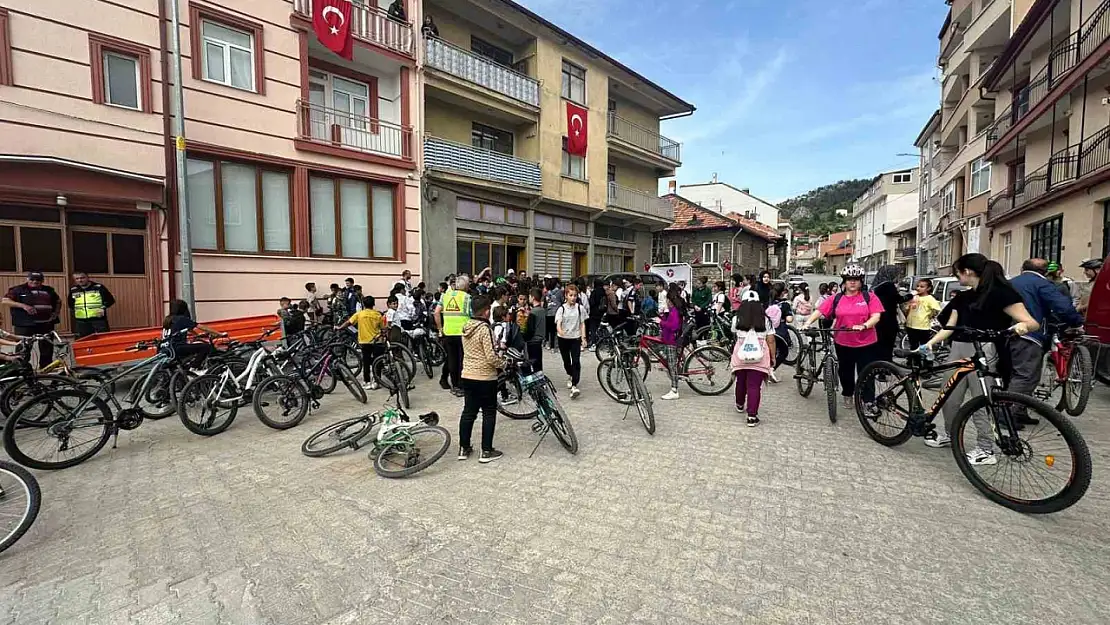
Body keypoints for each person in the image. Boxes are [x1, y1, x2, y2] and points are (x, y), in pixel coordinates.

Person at [921, 254, 1038, 462]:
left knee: (981, 401)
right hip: (958, 348)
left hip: (986, 350)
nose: (957, 276)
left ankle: (986, 448)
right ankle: (950, 434)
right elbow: (950, 327)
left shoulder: (1002, 294)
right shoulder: (963, 297)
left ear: (967, 272)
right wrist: (929, 344)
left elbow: (1031, 322)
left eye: (958, 272)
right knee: (949, 396)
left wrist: (1021, 327)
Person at [1008, 258, 1084, 426]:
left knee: (1027, 375)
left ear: (1023, 267)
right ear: (1045, 271)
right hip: (1030, 334)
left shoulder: (1012, 282)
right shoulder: (1042, 284)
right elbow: (1062, 306)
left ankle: (1020, 410)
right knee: (1025, 375)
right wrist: (1077, 322)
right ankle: (1007, 413)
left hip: (1009, 333)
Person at [803, 264, 884, 410]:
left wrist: (864, 325)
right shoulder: (836, 298)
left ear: (861, 281)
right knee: (845, 372)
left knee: (866, 372)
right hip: (844, 342)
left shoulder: (869, 297)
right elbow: (820, 311)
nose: (852, 282)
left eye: (856, 279)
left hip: (867, 342)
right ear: (844, 281)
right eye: (849, 279)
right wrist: (808, 322)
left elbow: (876, 316)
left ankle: (868, 401)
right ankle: (848, 394)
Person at [457, 295, 505, 464]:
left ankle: (464, 448)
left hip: (468, 375)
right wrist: (504, 363)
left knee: (468, 412)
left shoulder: (466, 326)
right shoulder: (485, 329)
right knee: (489, 412)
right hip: (485, 377)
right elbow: (491, 357)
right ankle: (486, 450)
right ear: (486, 312)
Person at [730, 291, 775, 426]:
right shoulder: (766, 320)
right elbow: (771, 340)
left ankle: (739, 404)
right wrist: (773, 357)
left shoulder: (736, 319)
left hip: (741, 356)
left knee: (741, 381)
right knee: (754, 386)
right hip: (759, 358)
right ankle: (751, 416)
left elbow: (734, 334)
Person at [2, 272, 61, 368]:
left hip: (46, 324)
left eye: (38, 280)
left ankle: (45, 370)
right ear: (27, 279)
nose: (35, 282)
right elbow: (5, 301)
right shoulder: (17, 289)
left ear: (42, 281)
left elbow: (58, 301)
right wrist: (23, 306)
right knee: (24, 347)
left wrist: (56, 313)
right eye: (32, 279)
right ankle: (22, 369)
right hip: (25, 324)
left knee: (47, 348)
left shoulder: (49, 290)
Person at [335, 295, 384, 390]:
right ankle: (377, 381)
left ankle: (367, 381)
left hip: (364, 341)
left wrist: (339, 327)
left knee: (366, 361)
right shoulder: (378, 315)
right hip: (377, 341)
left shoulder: (359, 314)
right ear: (373, 304)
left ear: (363, 304)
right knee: (378, 361)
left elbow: (348, 322)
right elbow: (383, 327)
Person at [162, 299, 226, 369]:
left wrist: (197, 335)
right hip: (177, 347)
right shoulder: (181, 319)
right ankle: (193, 368)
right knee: (206, 347)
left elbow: (189, 329)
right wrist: (219, 334)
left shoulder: (168, 319)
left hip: (165, 348)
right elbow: (201, 327)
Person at [436, 274, 471, 396]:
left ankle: (454, 385)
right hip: (462, 333)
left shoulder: (445, 296)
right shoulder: (467, 298)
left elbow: (436, 313)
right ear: (466, 286)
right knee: (462, 360)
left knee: (452, 359)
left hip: (448, 332)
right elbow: (471, 315)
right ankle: (461, 386)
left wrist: (440, 329)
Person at [555, 283, 587, 398]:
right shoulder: (561, 309)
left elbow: (582, 324)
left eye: (575, 295)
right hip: (563, 339)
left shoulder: (580, 308)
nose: (573, 298)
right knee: (566, 361)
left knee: (576, 361)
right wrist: (560, 330)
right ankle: (570, 374)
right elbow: (558, 323)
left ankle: (574, 385)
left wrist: (583, 338)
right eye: (571, 295)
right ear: (566, 296)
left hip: (575, 338)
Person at [871, 265, 907, 362]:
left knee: (879, 345)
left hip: (877, 320)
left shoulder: (875, 287)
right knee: (887, 345)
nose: (897, 276)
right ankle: (886, 367)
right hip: (888, 321)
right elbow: (898, 299)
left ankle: (877, 366)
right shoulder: (889, 286)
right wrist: (911, 295)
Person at [659, 284, 686, 400]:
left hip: (672, 340)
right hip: (670, 339)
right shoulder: (673, 310)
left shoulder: (674, 311)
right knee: (671, 363)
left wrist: (661, 322)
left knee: (672, 365)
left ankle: (674, 389)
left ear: (670, 300)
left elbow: (673, 326)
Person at [69, 271, 116, 338]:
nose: (80, 280)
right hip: (81, 322)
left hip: (98, 320)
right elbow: (71, 304)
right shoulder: (73, 290)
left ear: (88, 277)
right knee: (83, 342)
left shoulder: (99, 287)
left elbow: (110, 300)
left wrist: (103, 307)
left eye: (82, 278)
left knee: (102, 340)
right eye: (77, 279)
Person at [904, 278, 941, 349]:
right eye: (917, 286)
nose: (918, 288)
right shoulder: (914, 297)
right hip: (910, 325)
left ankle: (925, 359)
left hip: (923, 326)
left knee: (923, 346)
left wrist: (931, 315)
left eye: (922, 287)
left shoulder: (929, 298)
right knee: (913, 346)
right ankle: (913, 359)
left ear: (928, 288)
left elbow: (937, 309)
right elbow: (906, 309)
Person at [522, 288, 546, 372]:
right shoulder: (543, 310)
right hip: (540, 340)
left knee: (532, 362)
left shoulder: (533, 312)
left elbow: (531, 329)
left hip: (532, 340)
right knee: (539, 363)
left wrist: (524, 337)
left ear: (533, 297)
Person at [544, 278, 563, 351]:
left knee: (549, 331)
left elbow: (546, 302)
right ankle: (555, 346)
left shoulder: (547, 292)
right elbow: (562, 300)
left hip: (548, 312)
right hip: (556, 312)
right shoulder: (559, 292)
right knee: (556, 330)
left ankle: (550, 345)